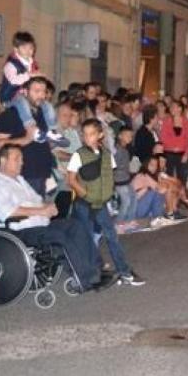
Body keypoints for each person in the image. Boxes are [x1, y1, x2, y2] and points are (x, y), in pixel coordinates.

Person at [0, 145, 108, 293]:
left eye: (22, 159)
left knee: (75, 225)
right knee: (59, 237)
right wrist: (40, 210)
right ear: (3, 160)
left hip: (40, 224)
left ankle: (97, 268)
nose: (21, 162)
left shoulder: (19, 180)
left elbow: (37, 200)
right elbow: (7, 212)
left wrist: (48, 207)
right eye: (17, 159)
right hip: (22, 231)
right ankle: (86, 278)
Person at [67, 119, 145, 286]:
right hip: (84, 204)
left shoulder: (107, 154)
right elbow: (71, 180)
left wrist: (108, 196)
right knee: (88, 239)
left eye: (92, 134)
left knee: (112, 236)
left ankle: (124, 271)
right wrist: (85, 194)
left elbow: (110, 177)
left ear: (100, 135)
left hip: (101, 203)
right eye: (85, 134)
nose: (88, 138)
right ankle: (88, 274)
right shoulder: (78, 155)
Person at [0, 77, 54, 197]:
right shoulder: (10, 114)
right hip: (22, 173)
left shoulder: (43, 113)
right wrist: (25, 139)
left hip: (41, 172)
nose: (41, 95)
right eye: (36, 91)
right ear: (25, 91)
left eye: (44, 91)